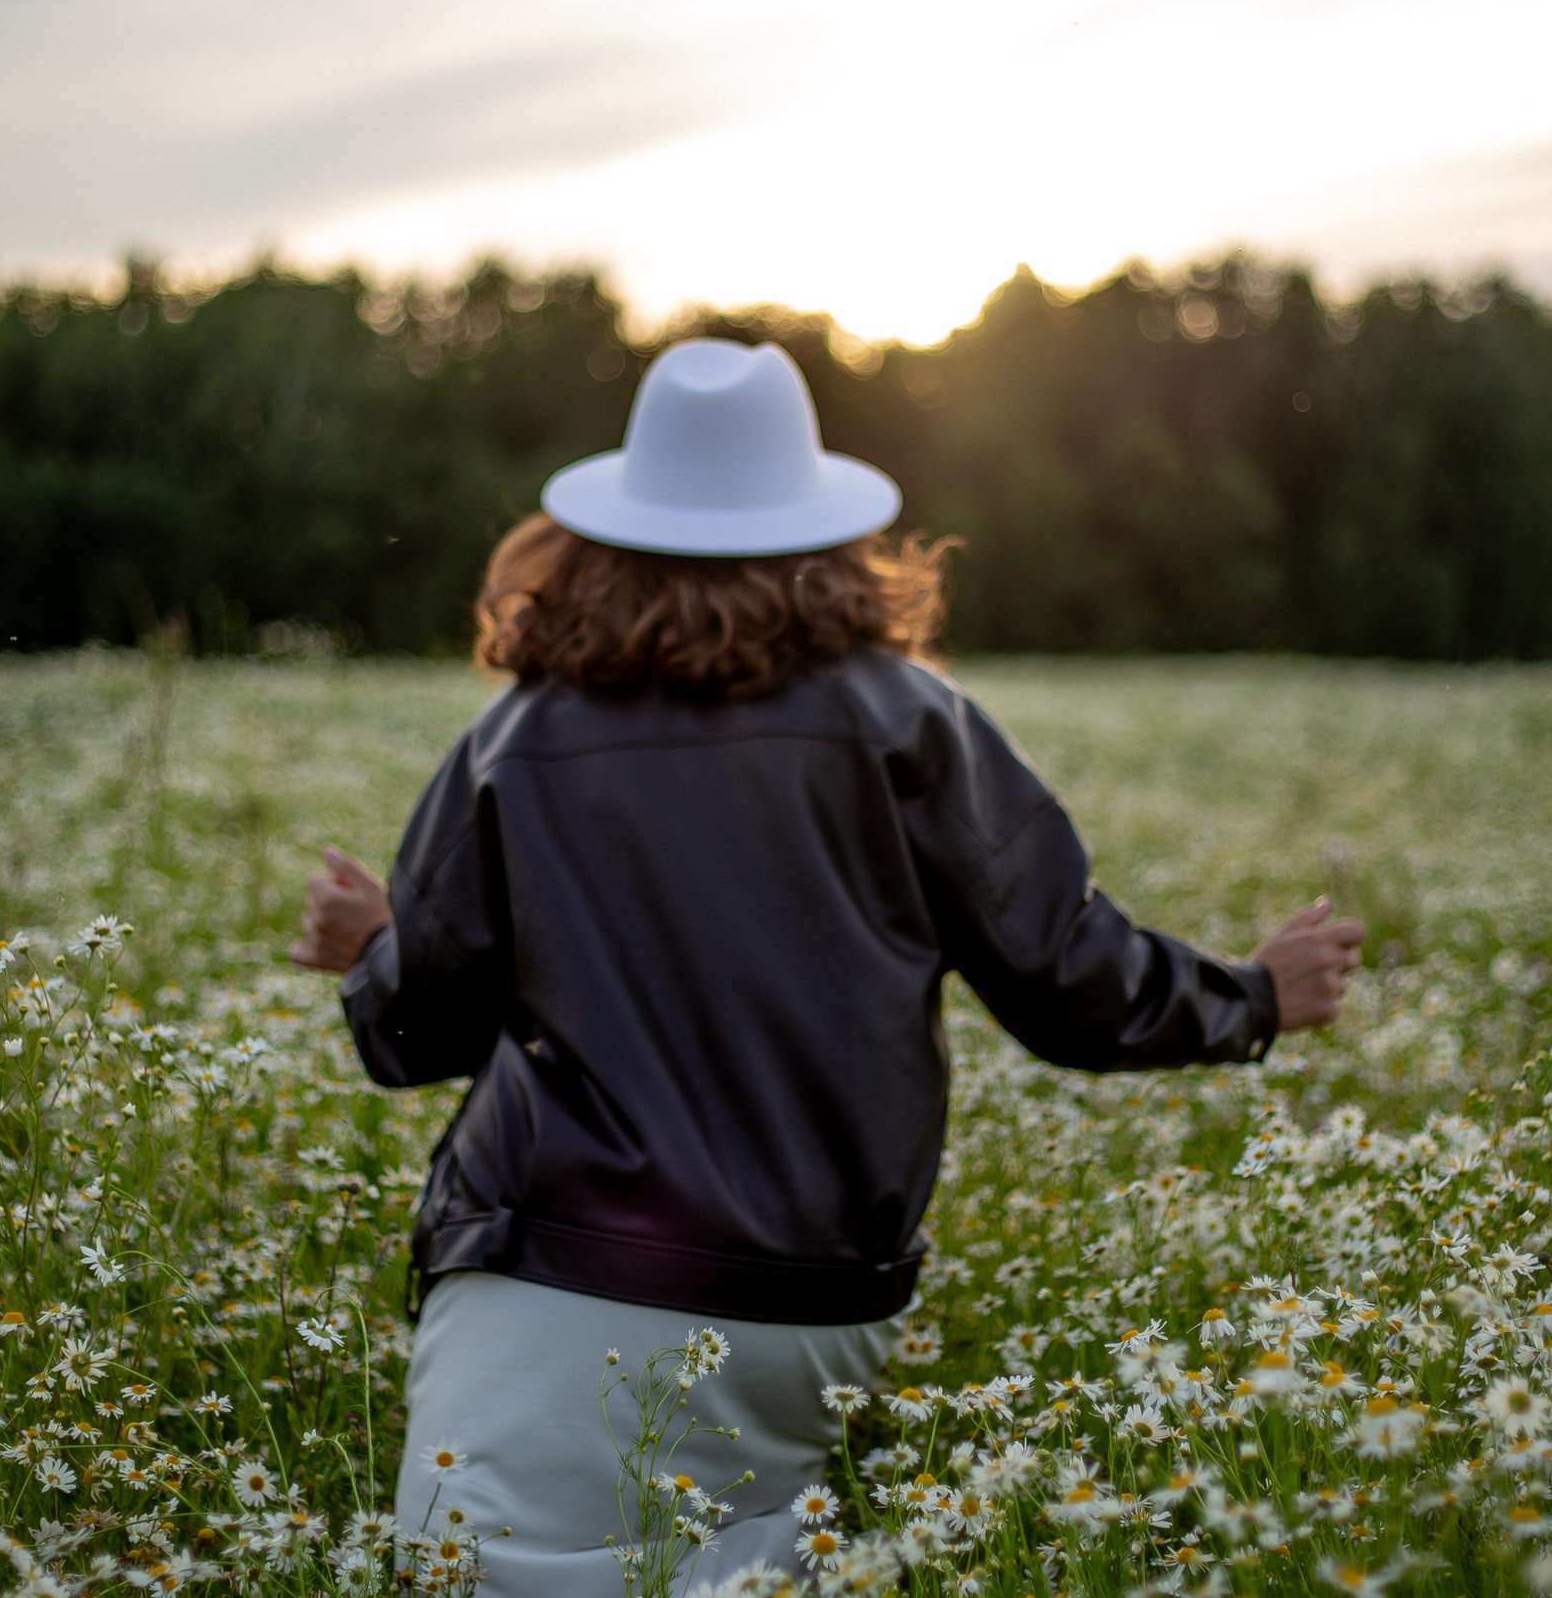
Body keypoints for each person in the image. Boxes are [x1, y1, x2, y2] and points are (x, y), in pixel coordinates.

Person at [288, 337, 1364, 1594]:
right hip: (811, 1303)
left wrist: (374, 949)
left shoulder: (516, 736)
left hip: (550, 1282)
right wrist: (1253, 996)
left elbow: (419, 1029)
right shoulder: (910, 719)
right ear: (824, 536)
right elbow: (1069, 980)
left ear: (610, 533)